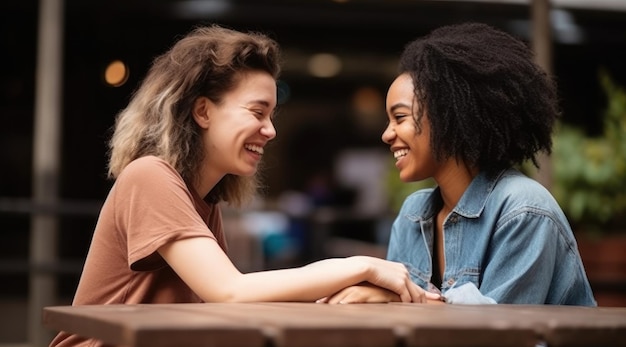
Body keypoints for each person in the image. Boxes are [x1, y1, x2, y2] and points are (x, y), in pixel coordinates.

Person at [49, 24, 440, 347]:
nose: (270, 130)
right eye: (257, 112)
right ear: (202, 110)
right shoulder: (150, 175)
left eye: (272, 114)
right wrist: (362, 267)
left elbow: (222, 303)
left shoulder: (203, 200)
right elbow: (229, 291)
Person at [319, 22, 596, 305]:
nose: (386, 134)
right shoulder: (412, 215)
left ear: (448, 117)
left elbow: (504, 331)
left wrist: (395, 299)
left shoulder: (523, 209)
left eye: (399, 118)